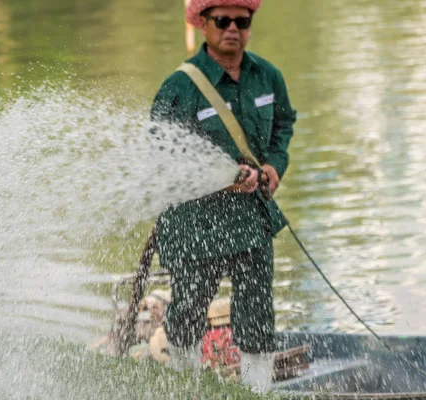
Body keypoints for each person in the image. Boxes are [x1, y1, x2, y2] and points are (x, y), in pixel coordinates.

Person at [149, 0, 296, 392]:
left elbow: (284, 124)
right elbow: (160, 157)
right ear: (203, 23)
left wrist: (274, 166)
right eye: (222, 20)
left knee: (258, 315)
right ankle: (185, 387)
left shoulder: (268, 77)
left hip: (251, 220)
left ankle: (257, 391)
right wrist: (226, 179)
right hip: (196, 223)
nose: (233, 28)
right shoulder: (179, 86)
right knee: (189, 313)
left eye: (241, 20)